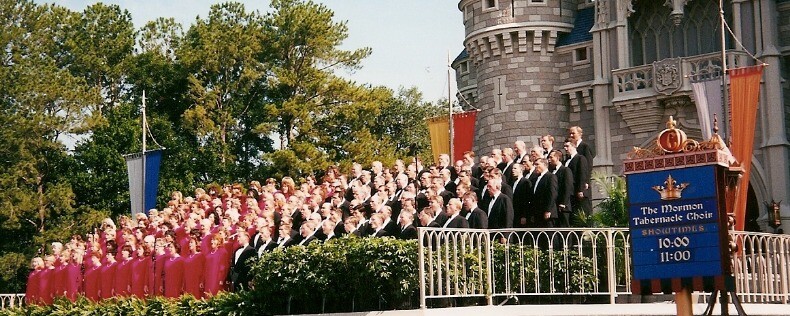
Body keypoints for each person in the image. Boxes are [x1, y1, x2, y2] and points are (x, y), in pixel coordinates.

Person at [531, 159, 558, 228]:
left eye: (537, 164)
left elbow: (552, 194)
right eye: (535, 164)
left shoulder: (550, 177)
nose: (535, 166)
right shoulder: (536, 178)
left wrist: (548, 210)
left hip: (547, 213)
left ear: (544, 165)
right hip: (537, 212)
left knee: (549, 236)